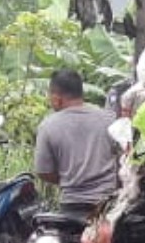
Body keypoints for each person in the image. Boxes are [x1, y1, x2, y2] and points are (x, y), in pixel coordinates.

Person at [33, 69, 119, 220]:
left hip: (71, 206)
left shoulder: (48, 126)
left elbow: (43, 171)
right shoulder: (108, 119)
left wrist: (68, 178)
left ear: (56, 98)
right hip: (108, 204)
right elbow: (124, 157)